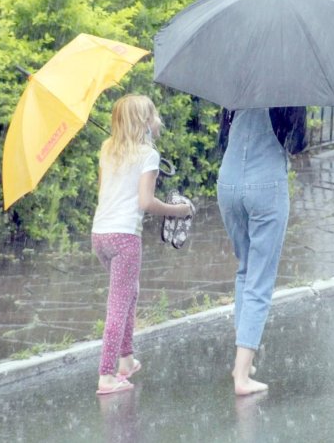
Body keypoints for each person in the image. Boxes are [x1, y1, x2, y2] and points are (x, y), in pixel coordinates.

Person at [92, 94, 194, 395]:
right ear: (144, 123)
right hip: (124, 237)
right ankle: (107, 375)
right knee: (118, 305)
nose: (159, 120)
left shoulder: (107, 149)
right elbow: (146, 202)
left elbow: (104, 191)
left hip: (100, 233)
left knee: (128, 293)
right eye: (155, 116)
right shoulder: (148, 155)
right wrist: (179, 211)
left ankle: (126, 360)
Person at [216, 106, 307, 396]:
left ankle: (242, 361)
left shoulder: (237, 84)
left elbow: (223, 138)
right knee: (259, 279)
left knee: (245, 269)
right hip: (266, 183)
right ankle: (242, 376)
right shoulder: (287, 86)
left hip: (228, 182)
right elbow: (298, 143)